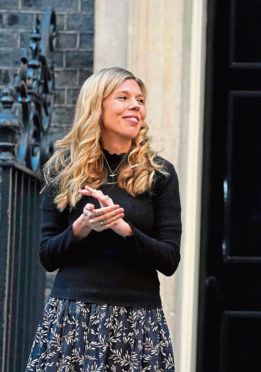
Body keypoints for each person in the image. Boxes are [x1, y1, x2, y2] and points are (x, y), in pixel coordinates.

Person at [26, 67, 181, 371]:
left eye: (139, 99)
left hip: (138, 320)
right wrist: (81, 228)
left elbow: (170, 259)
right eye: (123, 97)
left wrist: (124, 229)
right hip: (74, 316)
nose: (136, 105)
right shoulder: (64, 169)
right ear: (97, 105)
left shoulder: (159, 173)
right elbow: (47, 256)